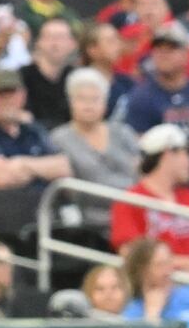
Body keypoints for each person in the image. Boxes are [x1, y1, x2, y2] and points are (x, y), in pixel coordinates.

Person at [111, 124, 189, 270]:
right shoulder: (131, 201)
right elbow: (132, 256)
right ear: (168, 154)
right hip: (165, 279)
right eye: (185, 153)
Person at [49, 68, 140, 226]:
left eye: (95, 99)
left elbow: (142, 171)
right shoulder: (59, 139)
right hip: (91, 220)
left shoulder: (123, 132)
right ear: (70, 101)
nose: (88, 105)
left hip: (137, 210)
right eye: (82, 99)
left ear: (105, 103)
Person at [125, 22, 189, 156]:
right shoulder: (141, 97)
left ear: (186, 55)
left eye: (171, 48)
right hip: (163, 164)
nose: (163, 54)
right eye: (158, 49)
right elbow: (138, 144)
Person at [0, 69, 72, 192]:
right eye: (1, 94)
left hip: (42, 198)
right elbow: (1, 178)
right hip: (3, 201)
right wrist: (42, 169)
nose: (7, 100)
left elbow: (65, 168)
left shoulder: (31, 128)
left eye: (12, 93)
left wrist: (22, 164)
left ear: (23, 95)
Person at [19, 18, 76, 131]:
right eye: (50, 37)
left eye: (61, 37)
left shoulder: (78, 78)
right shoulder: (22, 76)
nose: (55, 43)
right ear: (38, 42)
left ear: (73, 44)